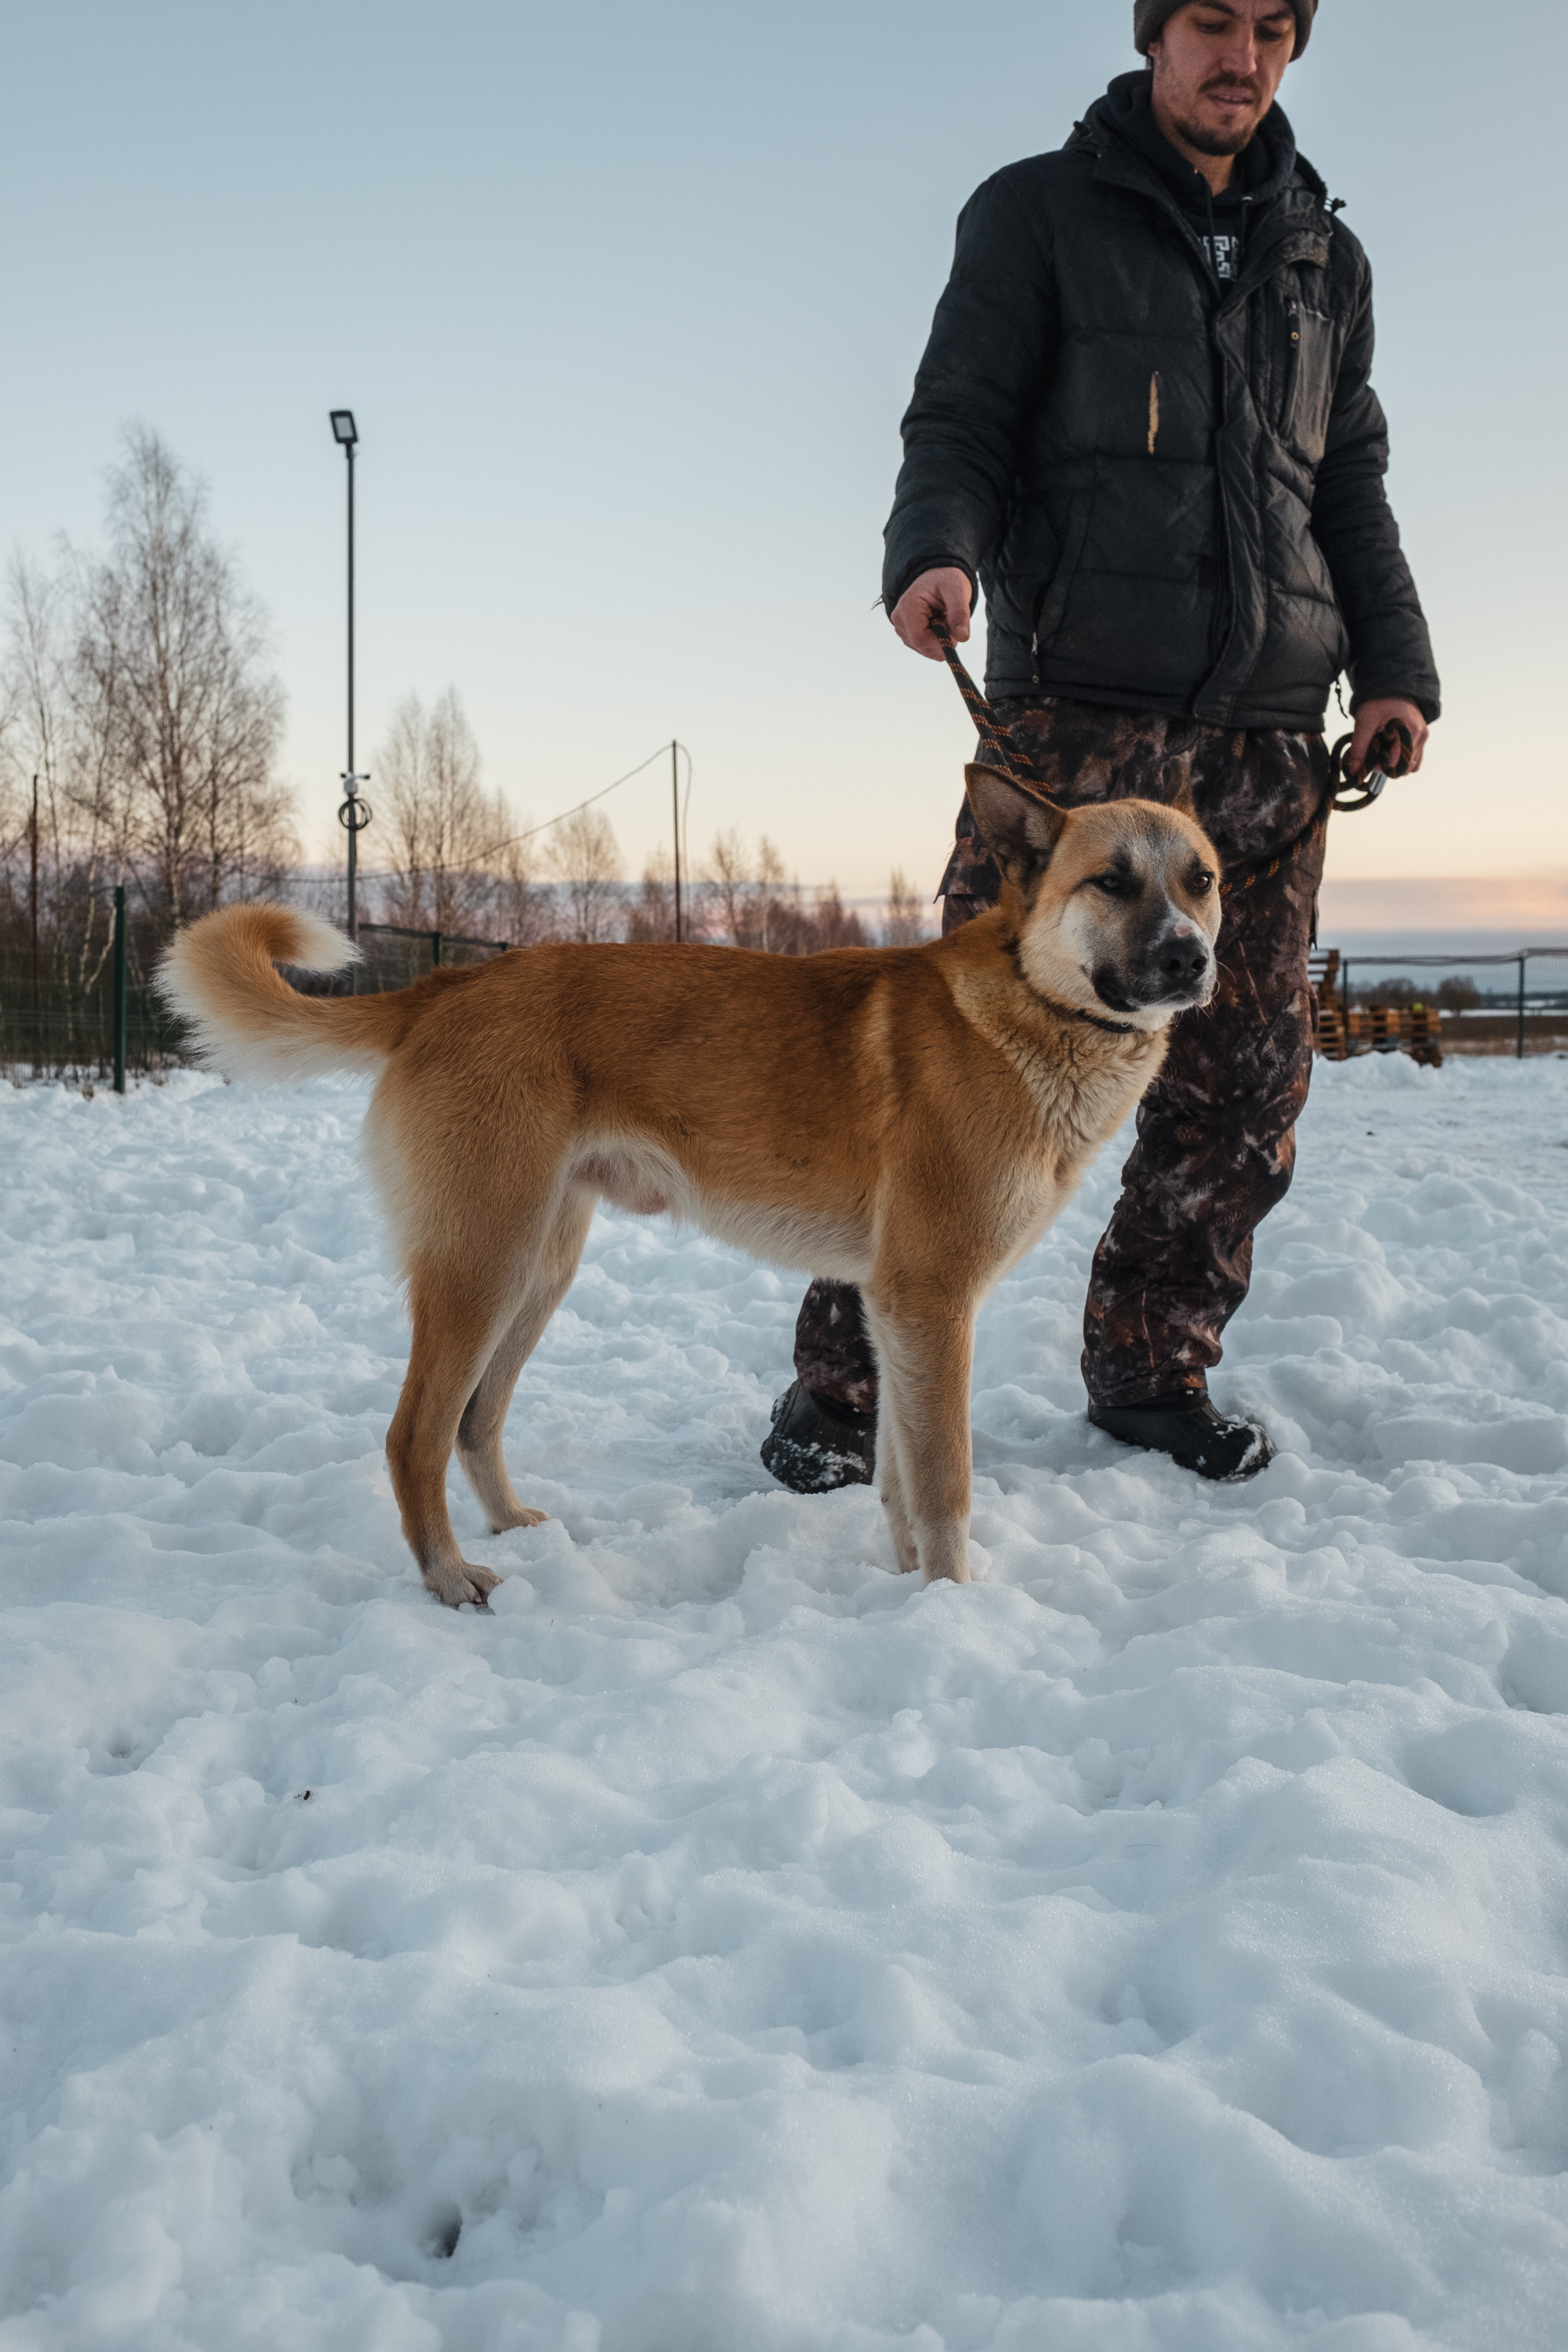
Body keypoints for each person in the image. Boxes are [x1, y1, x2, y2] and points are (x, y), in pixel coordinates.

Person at [761, 0, 1439, 1494]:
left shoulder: (1326, 255)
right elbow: (962, 420)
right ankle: (846, 1386)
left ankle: (1151, 1365)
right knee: (944, 1079)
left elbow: (1351, 477)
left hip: (1267, 739)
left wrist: (1392, 663)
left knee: (1246, 1083)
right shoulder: (1036, 213)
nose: (1240, 57)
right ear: (1153, 34)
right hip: (1075, 726)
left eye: (1272, 27)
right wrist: (933, 550)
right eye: (1211, 21)